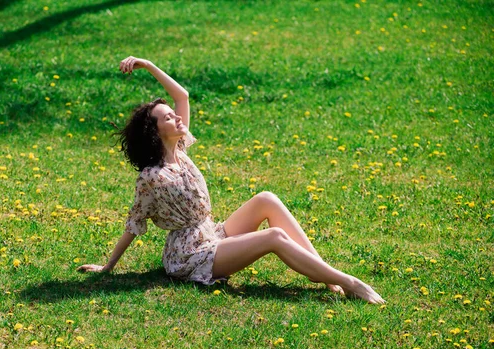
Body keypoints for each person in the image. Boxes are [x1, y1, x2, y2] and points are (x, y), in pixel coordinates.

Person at [77, 56, 385, 304]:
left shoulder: (180, 150)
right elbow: (134, 224)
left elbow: (181, 94)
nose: (178, 117)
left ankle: (328, 276)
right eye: (169, 118)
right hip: (189, 256)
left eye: (174, 114)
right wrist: (108, 266)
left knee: (266, 199)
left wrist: (147, 65)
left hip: (211, 233)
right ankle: (350, 283)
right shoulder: (151, 177)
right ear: (155, 132)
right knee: (274, 237)